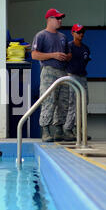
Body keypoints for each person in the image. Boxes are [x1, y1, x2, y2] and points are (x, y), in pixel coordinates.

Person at [31, 8, 72, 142]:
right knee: (49, 100)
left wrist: (66, 57)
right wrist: (53, 55)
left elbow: (69, 53)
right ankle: (46, 130)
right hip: (49, 71)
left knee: (63, 101)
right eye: (57, 18)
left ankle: (59, 130)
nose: (60, 21)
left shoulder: (63, 37)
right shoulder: (41, 35)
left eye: (61, 18)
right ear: (49, 19)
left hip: (62, 72)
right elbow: (34, 54)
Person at [63, 24, 91, 141]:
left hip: (82, 77)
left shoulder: (85, 48)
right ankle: (68, 129)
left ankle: (78, 129)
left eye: (82, 32)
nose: (81, 34)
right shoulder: (68, 47)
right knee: (73, 103)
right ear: (73, 33)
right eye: (78, 32)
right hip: (71, 76)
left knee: (84, 103)